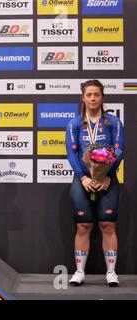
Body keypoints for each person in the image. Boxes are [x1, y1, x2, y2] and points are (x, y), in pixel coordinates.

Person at [65, 79, 124, 286]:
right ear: (83, 97)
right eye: (88, 95)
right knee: (83, 226)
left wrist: (107, 175)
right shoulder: (74, 124)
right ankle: (79, 272)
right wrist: (84, 177)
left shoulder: (113, 122)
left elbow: (118, 151)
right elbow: (71, 154)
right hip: (83, 181)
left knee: (108, 225)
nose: (92, 98)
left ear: (102, 97)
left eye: (96, 95)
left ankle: (111, 273)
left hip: (108, 180)